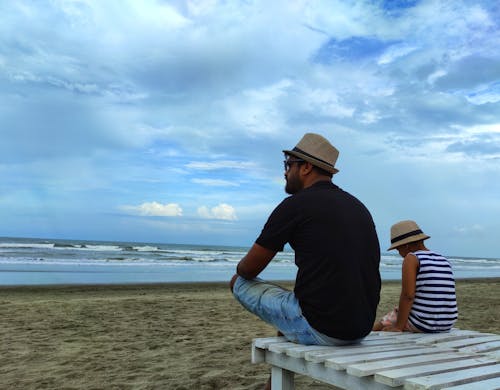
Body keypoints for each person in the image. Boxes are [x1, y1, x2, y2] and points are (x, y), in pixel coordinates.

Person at [230, 133, 381, 348]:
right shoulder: (358, 207)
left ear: (306, 167)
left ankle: (277, 376)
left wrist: (240, 268)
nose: (285, 171)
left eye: (288, 164)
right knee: (295, 302)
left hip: (323, 329)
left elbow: (249, 270)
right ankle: (272, 383)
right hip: (360, 329)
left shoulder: (294, 205)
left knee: (238, 282)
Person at [373, 220, 458, 332]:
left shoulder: (412, 258)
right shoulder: (443, 259)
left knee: (385, 321)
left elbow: (408, 295)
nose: (399, 253)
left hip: (423, 323)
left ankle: (368, 331)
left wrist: (399, 327)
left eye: (398, 249)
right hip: (447, 323)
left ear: (406, 245)